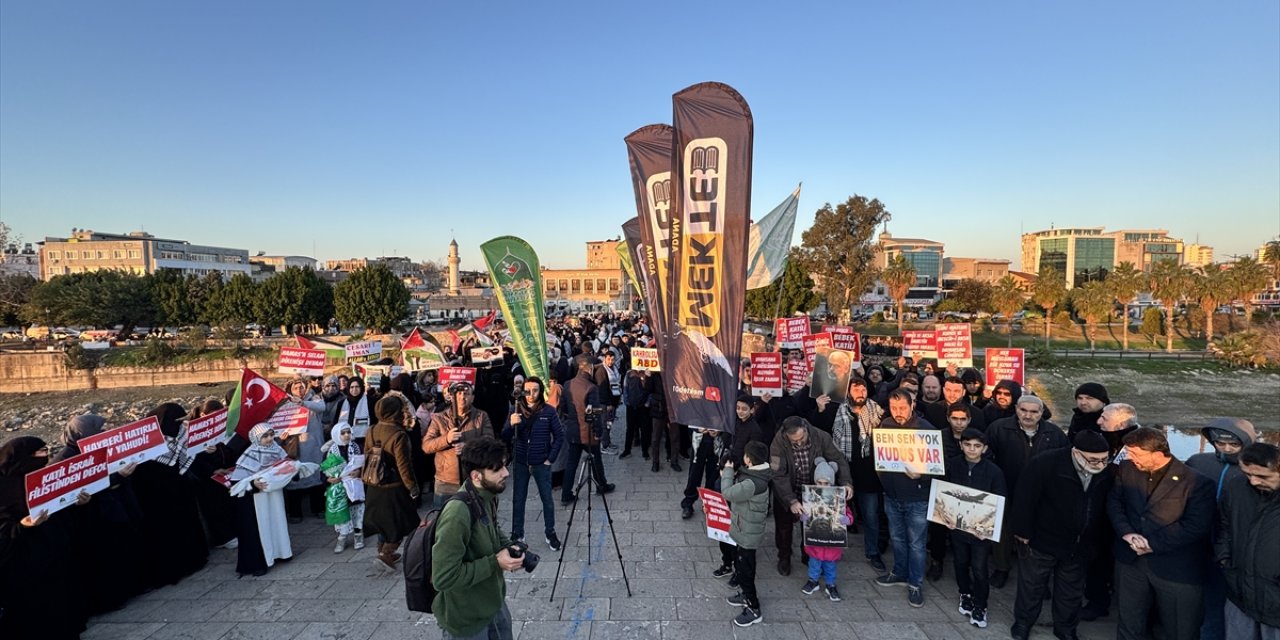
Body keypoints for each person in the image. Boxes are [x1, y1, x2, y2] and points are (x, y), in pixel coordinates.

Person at [1108, 426, 1216, 640]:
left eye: (1136, 453)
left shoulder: (1197, 483)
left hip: (1175, 569)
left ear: (1157, 454)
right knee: (1129, 622)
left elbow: (1195, 526)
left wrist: (1151, 544)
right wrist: (1127, 533)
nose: (1130, 457)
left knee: (1179, 628)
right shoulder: (1127, 468)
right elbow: (1114, 502)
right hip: (1130, 561)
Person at [1008, 431, 1115, 640]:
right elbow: (1024, 498)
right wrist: (1022, 532)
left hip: (1080, 545)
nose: (1100, 464)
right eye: (1093, 460)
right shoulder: (1045, 464)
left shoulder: (1106, 472)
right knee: (1032, 587)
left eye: (1104, 459)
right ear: (1076, 453)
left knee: (1070, 592)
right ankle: (1023, 623)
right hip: (1043, 540)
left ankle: (1065, 628)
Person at [0, 436, 92, 640]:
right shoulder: (4, 489)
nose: (46, 456)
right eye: (39, 452)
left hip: (54, 555)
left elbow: (60, 509)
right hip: (24, 565)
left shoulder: (46, 478)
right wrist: (22, 526)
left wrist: (78, 503)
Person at [431, 436, 522, 640]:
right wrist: (495, 562)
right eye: (497, 469)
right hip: (467, 621)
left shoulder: (486, 496)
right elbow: (443, 577)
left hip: (493, 605)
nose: (506, 473)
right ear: (476, 476)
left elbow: (492, 528)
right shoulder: (457, 514)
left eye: (505, 466)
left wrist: (511, 547)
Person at [984, 394, 1069, 588]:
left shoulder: (1054, 434)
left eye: (1033, 412)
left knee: (1037, 534)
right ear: (1016, 409)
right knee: (1003, 531)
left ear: (1041, 413)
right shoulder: (999, 428)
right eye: (1024, 410)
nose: (1028, 415)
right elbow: (986, 455)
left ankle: (1037, 577)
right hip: (1006, 487)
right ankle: (1002, 568)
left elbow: (1063, 463)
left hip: (1041, 495)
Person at [1186, 417, 1259, 638]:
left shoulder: (1258, 471)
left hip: (1237, 548)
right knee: (1202, 600)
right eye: (1220, 443)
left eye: (1234, 444)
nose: (1226, 449)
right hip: (1197, 543)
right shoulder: (1197, 462)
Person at [131, 403, 209, 588]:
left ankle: (193, 560)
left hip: (181, 490)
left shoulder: (182, 433)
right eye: (175, 421)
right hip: (157, 498)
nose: (179, 425)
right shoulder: (146, 442)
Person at [873, 389, 934, 609]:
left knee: (916, 543)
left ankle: (915, 583)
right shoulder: (886, 425)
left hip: (917, 498)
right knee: (897, 538)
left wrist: (922, 474)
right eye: (894, 408)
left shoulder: (926, 430)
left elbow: (938, 467)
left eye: (902, 408)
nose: (898, 412)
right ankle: (899, 572)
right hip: (892, 495)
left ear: (912, 406)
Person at [770, 416, 852, 576]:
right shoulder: (778, 442)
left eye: (801, 438)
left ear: (806, 430)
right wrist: (791, 500)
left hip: (815, 490)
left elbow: (837, 459)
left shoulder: (821, 437)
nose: (799, 443)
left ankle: (808, 555)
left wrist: (847, 482)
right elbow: (778, 473)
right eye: (794, 441)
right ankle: (784, 556)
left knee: (811, 524)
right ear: (786, 436)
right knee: (783, 526)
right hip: (787, 488)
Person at [1215, 442, 1280, 640]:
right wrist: (1224, 559)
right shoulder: (1235, 487)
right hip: (1239, 593)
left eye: (1262, 476)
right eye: (1247, 474)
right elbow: (1223, 527)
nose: (1253, 481)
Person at [943, 428, 1006, 629]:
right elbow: (943, 493)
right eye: (968, 445)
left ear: (984, 448)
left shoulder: (994, 472)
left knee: (980, 568)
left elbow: (999, 501)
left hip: (980, 532)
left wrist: (987, 527)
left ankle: (981, 605)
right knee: (960, 562)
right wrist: (945, 516)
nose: (972, 449)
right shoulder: (952, 465)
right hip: (957, 527)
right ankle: (965, 593)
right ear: (961, 445)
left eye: (977, 446)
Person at [501, 376, 565, 552]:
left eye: (535, 390)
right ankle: (517, 534)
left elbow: (559, 436)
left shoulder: (548, 411)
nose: (530, 395)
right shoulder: (516, 410)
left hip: (541, 462)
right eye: (527, 391)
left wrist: (550, 458)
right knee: (518, 499)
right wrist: (510, 424)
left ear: (540, 391)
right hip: (521, 462)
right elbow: (504, 436)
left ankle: (550, 532)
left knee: (547, 499)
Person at [363, 394, 422, 570]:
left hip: (374, 485)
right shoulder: (399, 435)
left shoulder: (371, 429)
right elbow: (404, 466)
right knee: (401, 523)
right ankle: (386, 554)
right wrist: (413, 488)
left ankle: (382, 551)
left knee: (383, 523)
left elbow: (366, 455)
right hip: (393, 488)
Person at [230, 423, 295, 576]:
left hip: (274, 494)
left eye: (271, 435)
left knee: (277, 522)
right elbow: (237, 482)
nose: (269, 439)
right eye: (265, 436)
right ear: (256, 438)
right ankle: (262, 561)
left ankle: (281, 553)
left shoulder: (277, 450)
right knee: (263, 527)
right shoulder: (250, 453)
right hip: (258, 499)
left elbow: (285, 464)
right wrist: (253, 483)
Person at [839, 376, 889, 572]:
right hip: (844, 471)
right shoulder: (839, 410)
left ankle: (873, 552)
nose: (860, 393)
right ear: (848, 392)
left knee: (871, 517)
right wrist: (819, 408)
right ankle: (830, 550)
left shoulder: (878, 412)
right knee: (836, 515)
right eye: (856, 389)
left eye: (863, 389)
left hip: (868, 475)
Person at [720, 441, 772, 627]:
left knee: (745, 571)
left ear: (748, 459)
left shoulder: (752, 483)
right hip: (747, 528)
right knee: (744, 567)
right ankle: (744, 594)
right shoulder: (758, 474)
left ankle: (753, 607)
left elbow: (727, 492)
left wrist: (726, 472)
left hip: (748, 533)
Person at [424, 380, 496, 507]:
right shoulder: (439, 418)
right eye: (459, 394)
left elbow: (489, 441)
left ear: (472, 398)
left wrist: (468, 446)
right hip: (446, 481)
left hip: (473, 478)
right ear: (452, 397)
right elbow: (427, 446)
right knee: (443, 521)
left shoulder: (481, 416)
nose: (462, 397)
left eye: (466, 394)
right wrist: (446, 439)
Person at [800, 457, 854, 603]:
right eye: (819, 482)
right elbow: (804, 514)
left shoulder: (839, 498)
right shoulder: (810, 497)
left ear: (832, 482)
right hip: (815, 542)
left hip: (832, 543)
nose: (823, 485)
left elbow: (848, 513)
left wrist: (847, 520)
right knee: (814, 563)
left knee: (830, 566)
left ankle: (831, 585)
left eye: (826, 483)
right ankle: (813, 581)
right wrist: (804, 517)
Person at [563, 355, 615, 503]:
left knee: (571, 463)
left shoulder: (567, 384)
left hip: (573, 431)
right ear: (588, 368)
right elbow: (595, 413)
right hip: (588, 433)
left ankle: (566, 494)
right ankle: (602, 485)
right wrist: (599, 432)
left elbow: (564, 408)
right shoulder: (591, 388)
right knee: (596, 459)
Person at [281, 378, 328, 522]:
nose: (299, 390)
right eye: (295, 388)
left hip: (314, 446)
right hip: (295, 448)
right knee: (295, 480)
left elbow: (322, 408)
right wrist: (282, 436)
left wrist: (304, 403)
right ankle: (296, 513)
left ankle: (318, 508)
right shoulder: (285, 405)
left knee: (316, 477)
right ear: (290, 390)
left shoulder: (314, 398)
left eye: (301, 387)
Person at [321, 422, 365, 553]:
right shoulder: (330, 451)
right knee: (342, 513)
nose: (346, 435)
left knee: (357, 512)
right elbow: (323, 472)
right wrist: (329, 479)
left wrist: (359, 472)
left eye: (348, 432)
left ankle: (358, 535)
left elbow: (364, 463)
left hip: (354, 484)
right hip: (339, 488)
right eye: (343, 433)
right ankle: (342, 536)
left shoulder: (357, 447)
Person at [680, 426, 730, 520]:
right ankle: (688, 503)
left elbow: (727, 419)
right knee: (694, 474)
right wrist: (697, 429)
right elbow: (690, 418)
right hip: (699, 440)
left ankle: (709, 503)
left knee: (713, 475)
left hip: (717, 442)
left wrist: (719, 431)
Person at [647, 370, 682, 473]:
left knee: (675, 437)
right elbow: (647, 390)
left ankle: (674, 461)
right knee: (655, 438)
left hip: (673, 409)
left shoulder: (675, 372)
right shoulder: (655, 375)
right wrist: (648, 377)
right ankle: (655, 462)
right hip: (659, 409)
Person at [620, 367, 651, 459]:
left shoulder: (647, 373)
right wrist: (627, 402)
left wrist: (647, 403)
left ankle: (645, 451)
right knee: (630, 429)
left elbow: (650, 390)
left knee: (644, 429)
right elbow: (625, 388)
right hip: (631, 407)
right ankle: (627, 450)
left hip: (643, 407)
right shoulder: (629, 373)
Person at [338, 376, 375, 447]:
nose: (354, 389)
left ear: (361, 388)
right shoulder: (341, 403)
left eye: (357, 387)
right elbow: (336, 422)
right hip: (345, 441)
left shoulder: (370, 401)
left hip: (364, 441)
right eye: (352, 387)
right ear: (348, 388)